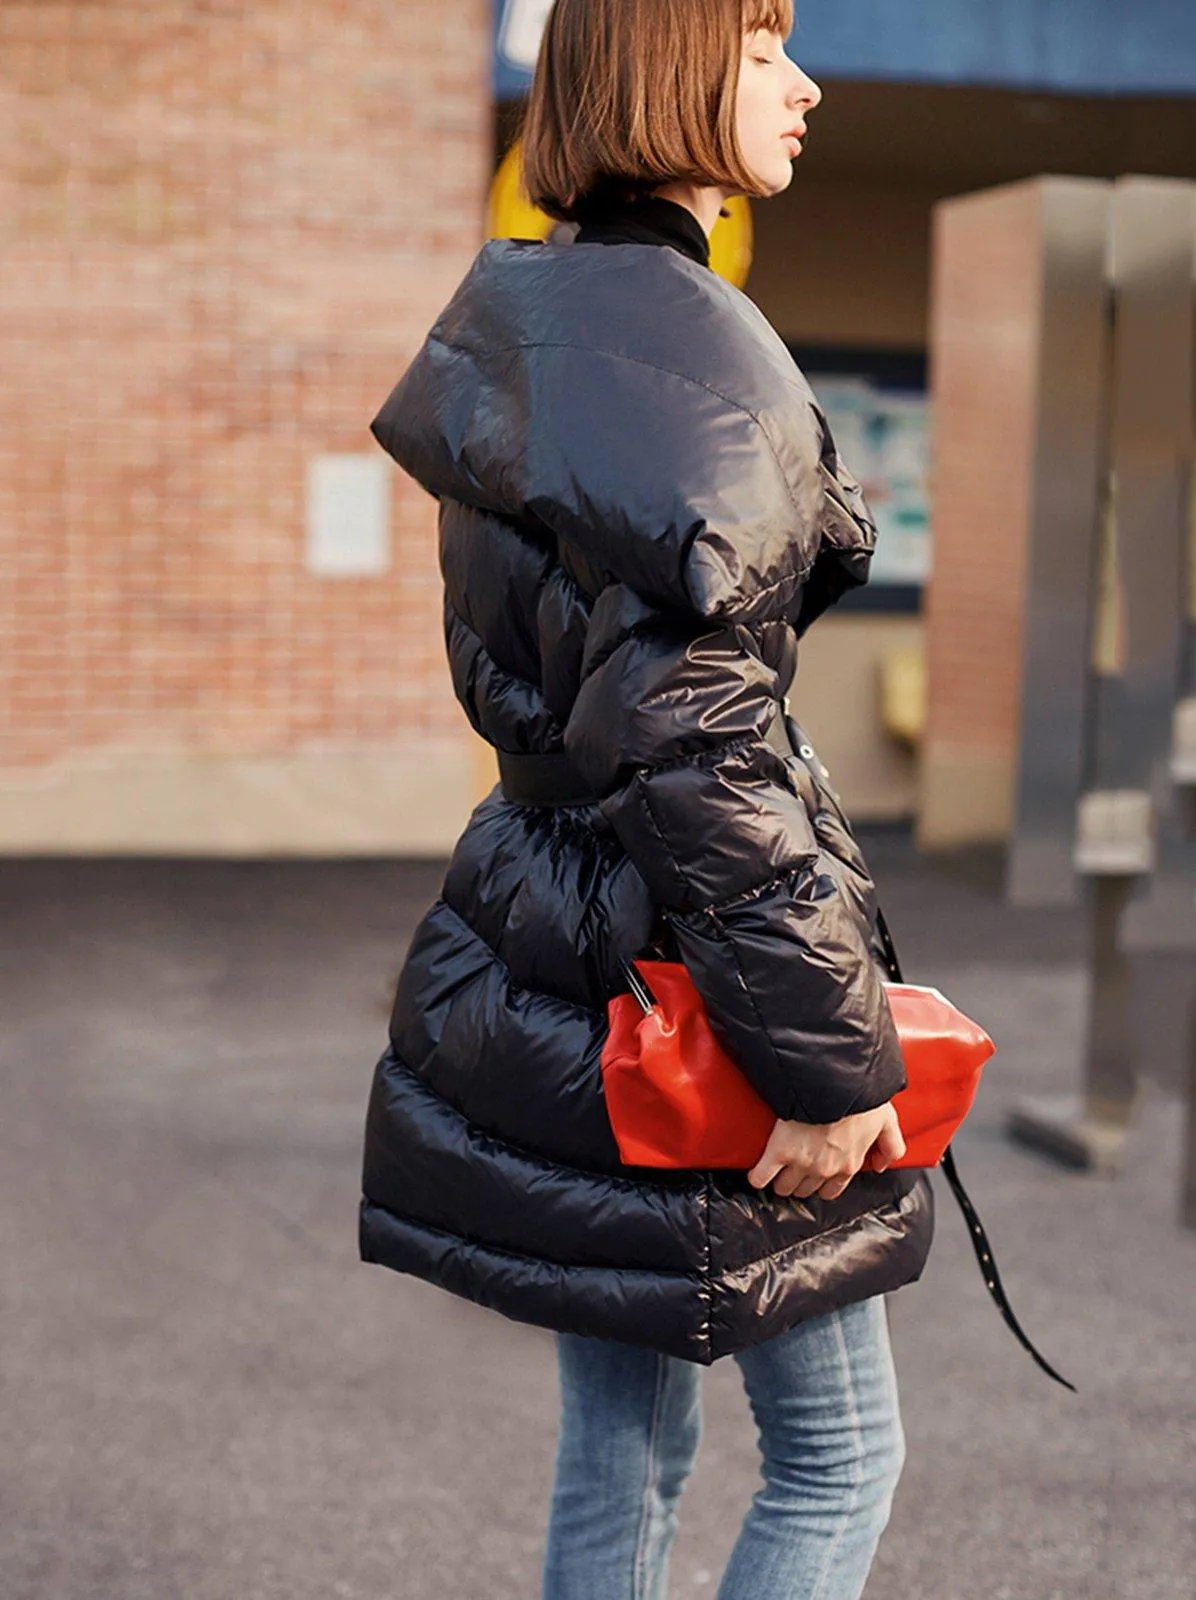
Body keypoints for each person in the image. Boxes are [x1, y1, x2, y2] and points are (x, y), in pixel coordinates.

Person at [359, 0, 935, 1594]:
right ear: (672, 71)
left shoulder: (527, 318)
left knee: (626, 1444)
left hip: (557, 925)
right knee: (839, 1461)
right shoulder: (686, 345)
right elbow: (697, 741)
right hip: (683, 962)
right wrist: (827, 1064)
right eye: (765, 50)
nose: (806, 85)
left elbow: (596, 699)